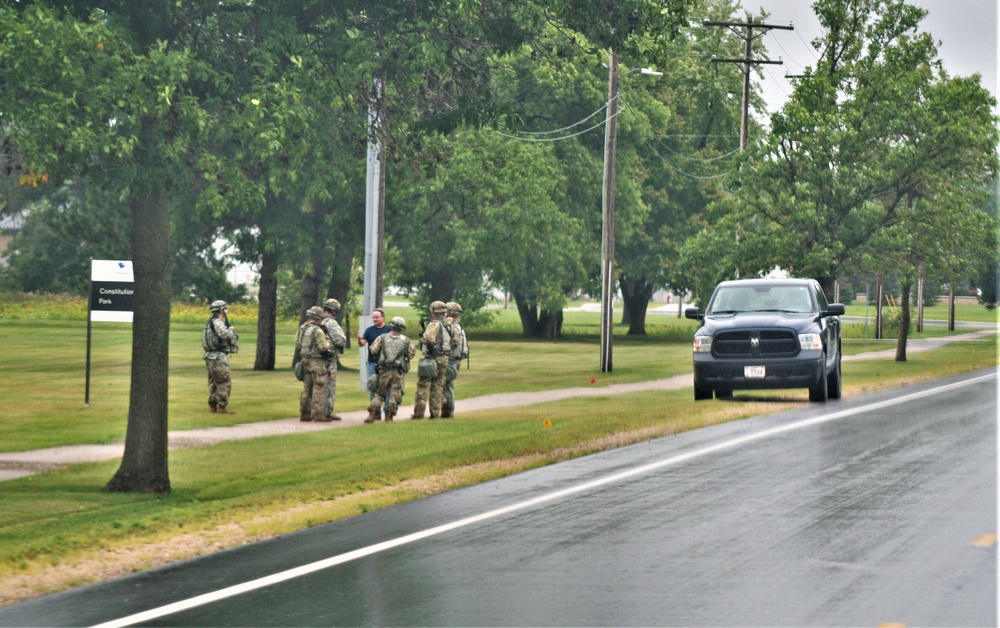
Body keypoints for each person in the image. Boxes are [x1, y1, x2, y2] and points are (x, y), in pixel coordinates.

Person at [366, 316, 416, 423]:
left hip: (383, 370)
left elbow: (373, 350)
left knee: (379, 393)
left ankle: (372, 414)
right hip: (397, 372)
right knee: (394, 394)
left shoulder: (382, 337)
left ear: (391, 325)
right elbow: (411, 355)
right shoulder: (406, 341)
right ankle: (389, 416)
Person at [411, 300, 451, 419]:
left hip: (431, 359)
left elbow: (428, 338)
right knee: (437, 387)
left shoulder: (434, 324)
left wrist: (425, 342)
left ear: (433, 312)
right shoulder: (449, 325)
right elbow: (456, 342)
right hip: (444, 358)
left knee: (423, 387)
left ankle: (419, 413)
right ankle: (435, 413)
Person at [296, 306, 335, 422]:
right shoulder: (317, 330)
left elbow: (298, 344)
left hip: (305, 361)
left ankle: (304, 413)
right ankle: (318, 414)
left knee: (306, 388)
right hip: (317, 362)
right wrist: (328, 341)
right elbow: (323, 347)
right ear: (318, 318)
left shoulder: (302, 329)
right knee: (319, 387)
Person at [202, 299, 239, 414]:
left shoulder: (210, 322)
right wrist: (231, 330)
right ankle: (222, 407)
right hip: (218, 357)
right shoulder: (218, 322)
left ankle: (212, 406)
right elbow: (224, 334)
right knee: (224, 381)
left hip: (210, 356)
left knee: (213, 382)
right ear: (221, 310)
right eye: (225, 308)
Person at [358, 308, 391, 420]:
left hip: (386, 364)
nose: (375, 319)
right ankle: (376, 412)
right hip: (373, 362)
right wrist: (359, 339)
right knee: (373, 386)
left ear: (383, 318)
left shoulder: (389, 329)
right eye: (374, 317)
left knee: (387, 387)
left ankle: (388, 412)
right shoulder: (369, 330)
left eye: (377, 317)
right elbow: (362, 343)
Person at [320, 298, 348, 421]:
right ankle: (326, 412)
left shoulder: (317, 320)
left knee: (316, 385)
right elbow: (340, 339)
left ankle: (313, 411)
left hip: (317, 358)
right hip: (329, 358)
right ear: (334, 310)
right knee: (329, 386)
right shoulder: (331, 323)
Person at [441, 301, 469, 418]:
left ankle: (447, 412)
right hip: (457, 360)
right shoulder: (459, 327)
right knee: (450, 386)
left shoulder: (451, 327)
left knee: (445, 386)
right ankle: (449, 411)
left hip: (450, 360)